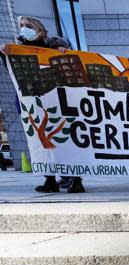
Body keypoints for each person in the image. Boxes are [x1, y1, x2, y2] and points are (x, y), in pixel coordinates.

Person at [2, 17, 82, 193]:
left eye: (28, 26)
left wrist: (66, 53)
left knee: (67, 140)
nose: (23, 29)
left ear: (41, 32)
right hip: (33, 101)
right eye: (21, 26)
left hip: (58, 100)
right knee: (41, 141)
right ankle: (50, 180)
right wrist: (4, 55)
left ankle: (76, 179)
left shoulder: (57, 47)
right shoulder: (17, 50)